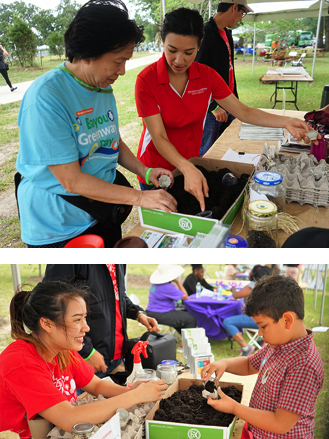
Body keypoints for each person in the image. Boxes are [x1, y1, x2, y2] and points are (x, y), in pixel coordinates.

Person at [15, 0, 177, 248]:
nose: (122, 71)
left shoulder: (101, 87)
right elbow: (72, 181)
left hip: (102, 208)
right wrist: (140, 197)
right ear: (88, 53)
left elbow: (111, 140)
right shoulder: (46, 98)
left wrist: (145, 171)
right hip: (60, 225)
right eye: (118, 61)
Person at [134, 7, 317, 213]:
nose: (179, 60)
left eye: (189, 52)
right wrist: (186, 167)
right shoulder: (146, 80)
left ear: (199, 46)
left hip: (190, 163)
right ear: (162, 42)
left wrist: (285, 122)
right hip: (156, 169)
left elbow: (244, 112)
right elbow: (158, 136)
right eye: (172, 50)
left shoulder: (207, 76)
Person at [0, 281, 168, 437]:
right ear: (47, 324)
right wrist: (136, 396)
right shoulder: (21, 362)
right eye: (77, 320)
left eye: (85, 318)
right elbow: (69, 418)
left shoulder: (62, 349)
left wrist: (131, 391)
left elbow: (96, 384)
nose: (86, 327)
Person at [201, 275, 324, 439]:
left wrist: (234, 408)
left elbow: (280, 424)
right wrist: (224, 364)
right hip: (258, 430)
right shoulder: (278, 343)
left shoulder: (303, 365)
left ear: (287, 320)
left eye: (263, 326)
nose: (259, 333)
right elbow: (248, 364)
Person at [43, 264, 159, 378]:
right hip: (85, 359)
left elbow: (118, 295)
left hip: (117, 358)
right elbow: (52, 304)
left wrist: (138, 313)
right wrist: (87, 352)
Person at [195, 0, 253, 156]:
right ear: (234, 7)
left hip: (229, 102)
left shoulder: (227, 33)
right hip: (213, 109)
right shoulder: (206, 34)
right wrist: (212, 106)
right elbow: (195, 74)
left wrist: (235, 99)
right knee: (207, 151)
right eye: (242, 13)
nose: (241, 17)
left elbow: (228, 70)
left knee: (228, 147)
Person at [222, 265, 272, 356]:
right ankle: (261, 340)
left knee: (228, 322)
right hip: (270, 319)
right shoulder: (271, 286)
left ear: (254, 274)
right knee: (243, 319)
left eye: (251, 271)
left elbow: (236, 295)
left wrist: (233, 289)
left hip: (257, 319)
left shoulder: (253, 285)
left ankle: (246, 347)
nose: (249, 273)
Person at [145, 264, 197, 342]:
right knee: (191, 319)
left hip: (150, 313)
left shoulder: (154, 284)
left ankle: (184, 338)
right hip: (161, 314)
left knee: (182, 317)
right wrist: (177, 282)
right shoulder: (168, 287)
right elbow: (185, 296)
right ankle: (183, 345)